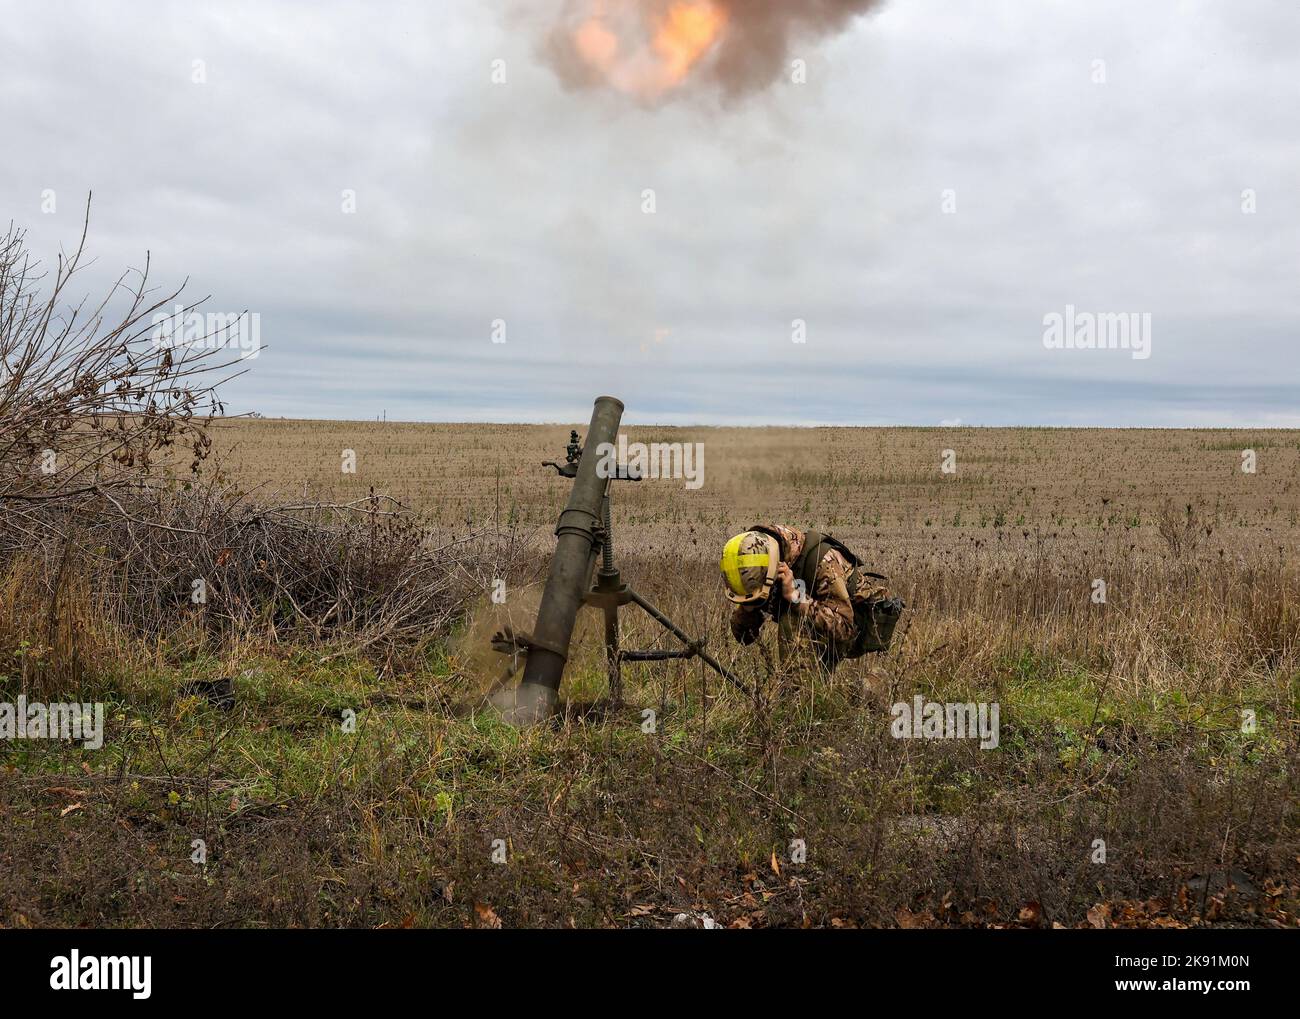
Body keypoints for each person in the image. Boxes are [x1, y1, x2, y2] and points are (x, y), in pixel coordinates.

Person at [719, 523, 904, 672]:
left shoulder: (823, 562)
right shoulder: (760, 563)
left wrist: (797, 598)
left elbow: (846, 629)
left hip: (859, 628)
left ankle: (800, 701)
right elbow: (744, 638)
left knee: (791, 618)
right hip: (825, 626)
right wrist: (749, 608)